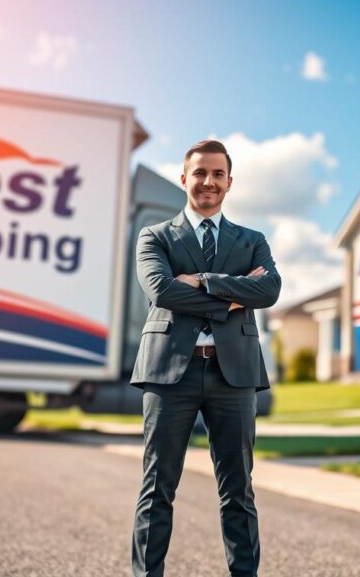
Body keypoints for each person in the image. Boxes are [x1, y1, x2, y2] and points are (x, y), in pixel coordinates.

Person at [130, 139, 280, 577]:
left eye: (217, 174)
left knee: (239, 491)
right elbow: (161, 290)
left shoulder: (252, 241)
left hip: (234, 375)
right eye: (200, 173)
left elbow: (269, 290)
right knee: (157, 488)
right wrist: (233, 295)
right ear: (184, 179)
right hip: (168, 374)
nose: (208, 182)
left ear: (229, 182)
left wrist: (202, 281)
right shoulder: (154, 235)